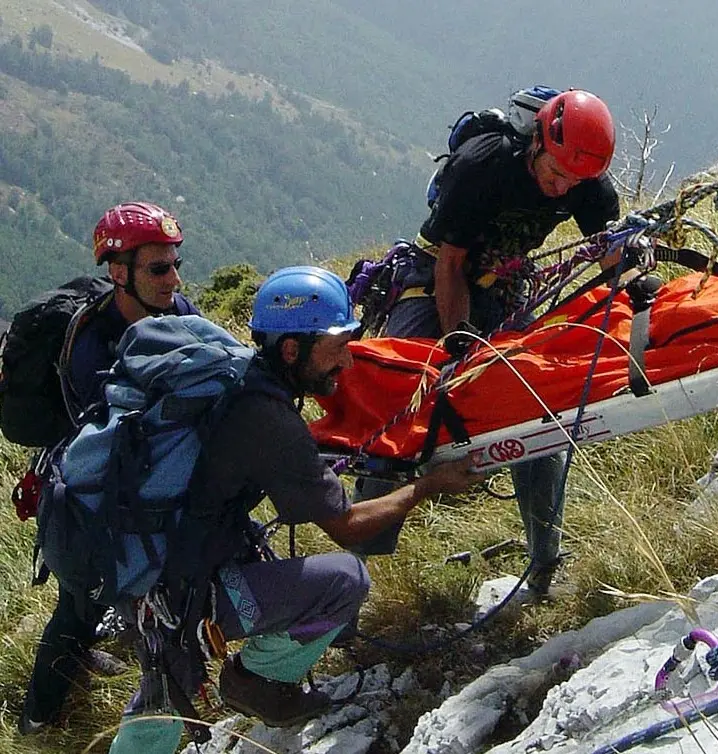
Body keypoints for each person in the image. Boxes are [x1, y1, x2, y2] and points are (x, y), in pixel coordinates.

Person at [107, 266, 482, 754]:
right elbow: (348, 528)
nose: (346, 361)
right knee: (344, 581)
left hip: (148, 562)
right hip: (175, 585)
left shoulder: (239, 379)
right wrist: (425, 487)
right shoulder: (266, 417)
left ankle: (216, 690)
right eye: (335, 349)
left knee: (166, 676)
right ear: (291, 350)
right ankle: (255, 681)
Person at [353, 89, 621, 598]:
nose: (561, 188)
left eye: (573, 181)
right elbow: (448, 264)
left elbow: (606, 248)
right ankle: (351, 584)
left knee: (536, 415)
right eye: (555, 173)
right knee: (394, 404)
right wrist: (459, 345)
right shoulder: (483, 167)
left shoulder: (583, 179)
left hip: (503, 280)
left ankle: (544, 566)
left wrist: (632, 271)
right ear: (537, 143)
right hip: (434, 273)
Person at [19, 201, 201, 735]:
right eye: (158, 268)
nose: (173, 279)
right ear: (118, 272)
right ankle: (38, 722)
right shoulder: (90, 343)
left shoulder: (173, 309)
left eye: (174, 264)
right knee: (77, 601)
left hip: (151, 478)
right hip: (94, 490)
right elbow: (119, 424)